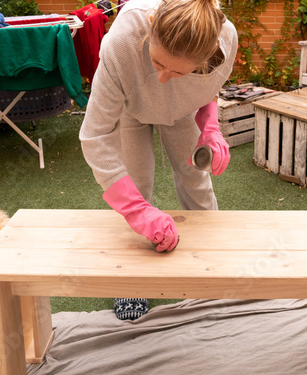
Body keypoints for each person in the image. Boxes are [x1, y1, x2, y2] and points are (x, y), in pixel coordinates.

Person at [79, 0, 238, 320]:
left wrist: (211, 128)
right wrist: (138, 211)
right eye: (157, 63)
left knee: (195, 178)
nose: (164, 77)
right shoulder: (122, 41)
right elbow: (95, 136)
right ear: (150, 23)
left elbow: (209, 89)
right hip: (131, 108)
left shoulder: (226, 40)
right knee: (136, 185)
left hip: (182, 111)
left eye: (179, 71)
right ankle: (131, 282)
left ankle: (211, 267)